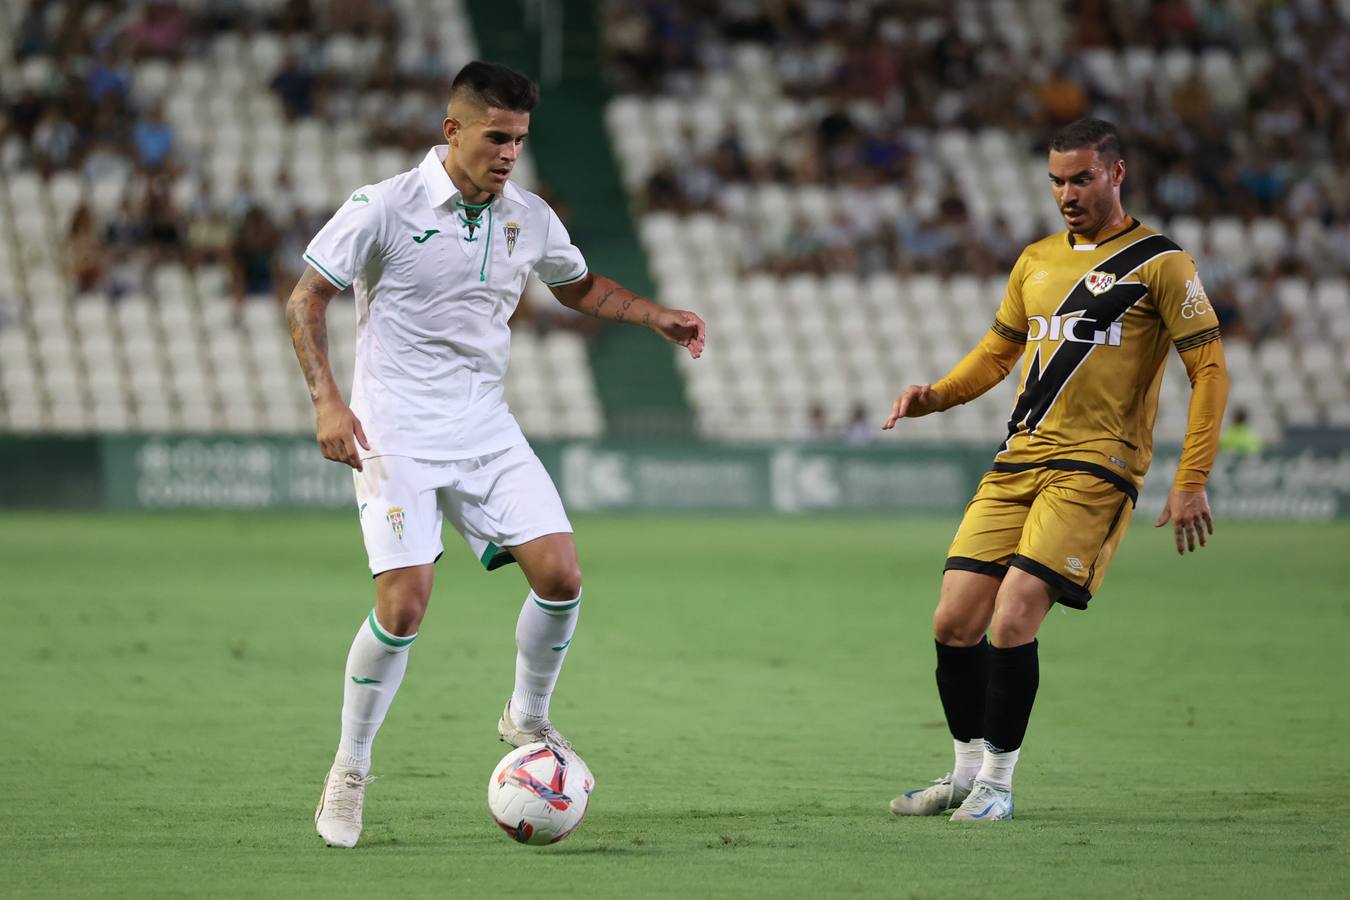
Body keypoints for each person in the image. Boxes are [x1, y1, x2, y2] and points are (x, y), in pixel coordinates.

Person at [286, 61, 707, 848]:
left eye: (519, 139)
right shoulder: (384, 206)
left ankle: (527, 714)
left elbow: (575, 285)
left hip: (484, 427)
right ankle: (349, 770)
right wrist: (327, 401)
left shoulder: (529, 215)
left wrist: (653, 314)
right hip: (396, 432)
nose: (510, 153)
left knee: (562, 574)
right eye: (496, 137)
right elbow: (307, 296)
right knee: (404, 604)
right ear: (453, 131)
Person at [882, 118, 1227, 822]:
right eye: (1057, 181)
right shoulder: (1037, 258)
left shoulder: (1162, 262)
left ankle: (999, 787)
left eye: (1081, 179)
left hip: (1096, 467)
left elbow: (1210, 369)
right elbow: (998, 350)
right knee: (954, 621)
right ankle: (965, 774)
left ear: (1116, 174)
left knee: (1012, 619)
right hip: (1020, 459)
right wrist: (936, 396)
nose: (1067, 193)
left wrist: (1192, 478)